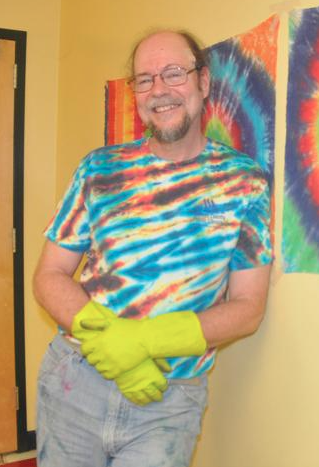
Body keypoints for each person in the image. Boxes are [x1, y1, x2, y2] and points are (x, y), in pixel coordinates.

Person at [33, 29, 273, 467]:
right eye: (145, 79)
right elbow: (49, 276)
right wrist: (111, 344)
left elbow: (248, 307)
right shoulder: (98, 169)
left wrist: (146, 341)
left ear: (203, 82)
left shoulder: (245, 182)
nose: (159, 89)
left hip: (169, 400)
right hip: (75, 381)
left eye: (174, 73)